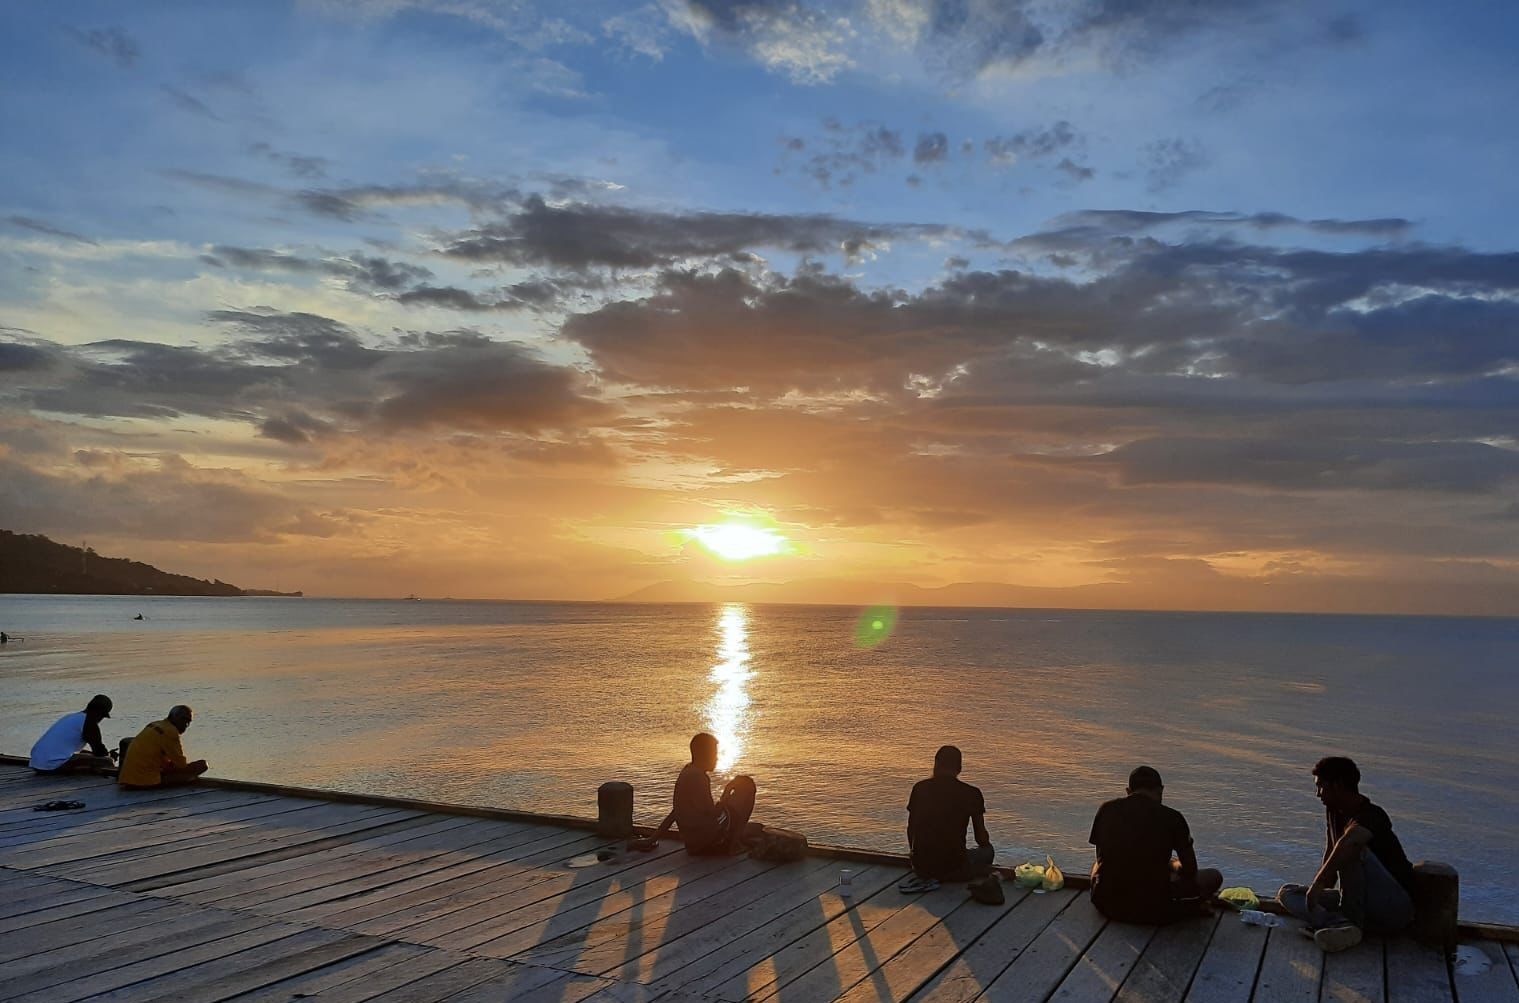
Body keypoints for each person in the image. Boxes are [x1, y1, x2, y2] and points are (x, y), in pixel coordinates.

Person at [1277, 756, 1415, 952]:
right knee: (1288, 893)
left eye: (1321, 787)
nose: (1318, 794)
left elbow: (1349, 843)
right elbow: (1331, 852)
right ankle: (1338, 924)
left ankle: (1347, 923)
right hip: (1361, 905)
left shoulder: (1372, 815)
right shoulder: (1334, 812)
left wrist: (1318, 884)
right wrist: (1320, 890)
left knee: (1351, 849)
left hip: (1393, 906)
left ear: (1339, 785)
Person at [1088, 765, 1223, 924]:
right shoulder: (1173, 817)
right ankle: (1188, 906)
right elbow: (1190, 869)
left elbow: (1101, 856)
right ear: (1161, 790)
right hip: (1153, 909)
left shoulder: (1106, 809)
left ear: (1128, 791)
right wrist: (1173, 865)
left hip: (1106, 904)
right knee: (1213, 876)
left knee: (1096, 866)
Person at [653, 732, 756, 855]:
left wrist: (652, 838)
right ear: (704, 755)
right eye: (714, 754)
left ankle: (736, 839)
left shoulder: (687, 771)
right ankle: (733, 845)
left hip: (692, 843)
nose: (717, 758)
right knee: (748, 786)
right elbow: (713, 814)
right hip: (707, 844)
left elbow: (676, 811)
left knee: (753, 827)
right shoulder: (699, 777)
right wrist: (727, 792)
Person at [907, 745, 995, 882]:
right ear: (959, 768)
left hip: (922, 867)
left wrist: (915, 855)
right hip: (955, 867)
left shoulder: (920, 789)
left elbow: (911, 829)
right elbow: (981, 838)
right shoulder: (972, 793)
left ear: (935, 764)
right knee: (988, 851)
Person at [118, 705, 209, 789]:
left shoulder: (155, 724)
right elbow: (181, 765)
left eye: (189, 722)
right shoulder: (170, 732)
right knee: (202, 765)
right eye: (184, 720)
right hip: (145, 781)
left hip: (127, 778)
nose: (186, 725)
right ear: (175, 718)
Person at [29, 695, 116, 774]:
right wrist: (111, 757)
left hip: (36, 764)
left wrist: (105, 754)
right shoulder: (89, 723)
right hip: (51, 766)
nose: (101, 719)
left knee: (85, 753)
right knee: (107, 762)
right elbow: (99, 751)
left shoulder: (71, 717)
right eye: (102, 716)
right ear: (99, 713)